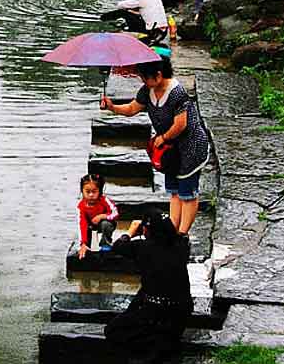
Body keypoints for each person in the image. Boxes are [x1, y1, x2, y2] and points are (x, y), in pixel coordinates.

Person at [100, 57, 209, 237]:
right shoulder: (147, 90)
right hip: (171, 150)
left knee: (187, 193)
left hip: (191, 147)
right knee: (174, 191)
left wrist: (163, 137)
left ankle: (182, 234)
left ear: (158, 75)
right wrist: (112, 107)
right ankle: (173, 230)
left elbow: (181, 124)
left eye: (145, 77)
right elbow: (132, 108)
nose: (143, 81)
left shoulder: (177, 93)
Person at [104, 209, 193, 363]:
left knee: (112, 330)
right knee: (149, 288)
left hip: (156, 311)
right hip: (182, 311)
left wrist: (130, 231)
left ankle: (155, 341)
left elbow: (117, 247)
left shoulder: (142, 247)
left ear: (147, 230)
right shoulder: (181, 245)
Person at [100, 0, 168, 43]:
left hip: (152, 33)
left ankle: (102, 19)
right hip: (163, 32)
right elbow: (147, 13)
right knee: (132, 13)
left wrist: (129, 9)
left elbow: (120, 5)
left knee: (124, 12)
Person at [76, 173, 119, 259]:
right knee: (86, 229)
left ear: (99, 191)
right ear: (82, 191)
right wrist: (83, 243)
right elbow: (82, 224)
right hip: (91, 225)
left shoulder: (104, 200)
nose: (91, 195)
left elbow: (115, 214)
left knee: (105, 224)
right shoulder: (81, 205)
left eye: (94, 191)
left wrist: (102, 216)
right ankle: (86, 246)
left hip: (106, 223)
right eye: (88, 192)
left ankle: (105, 244)